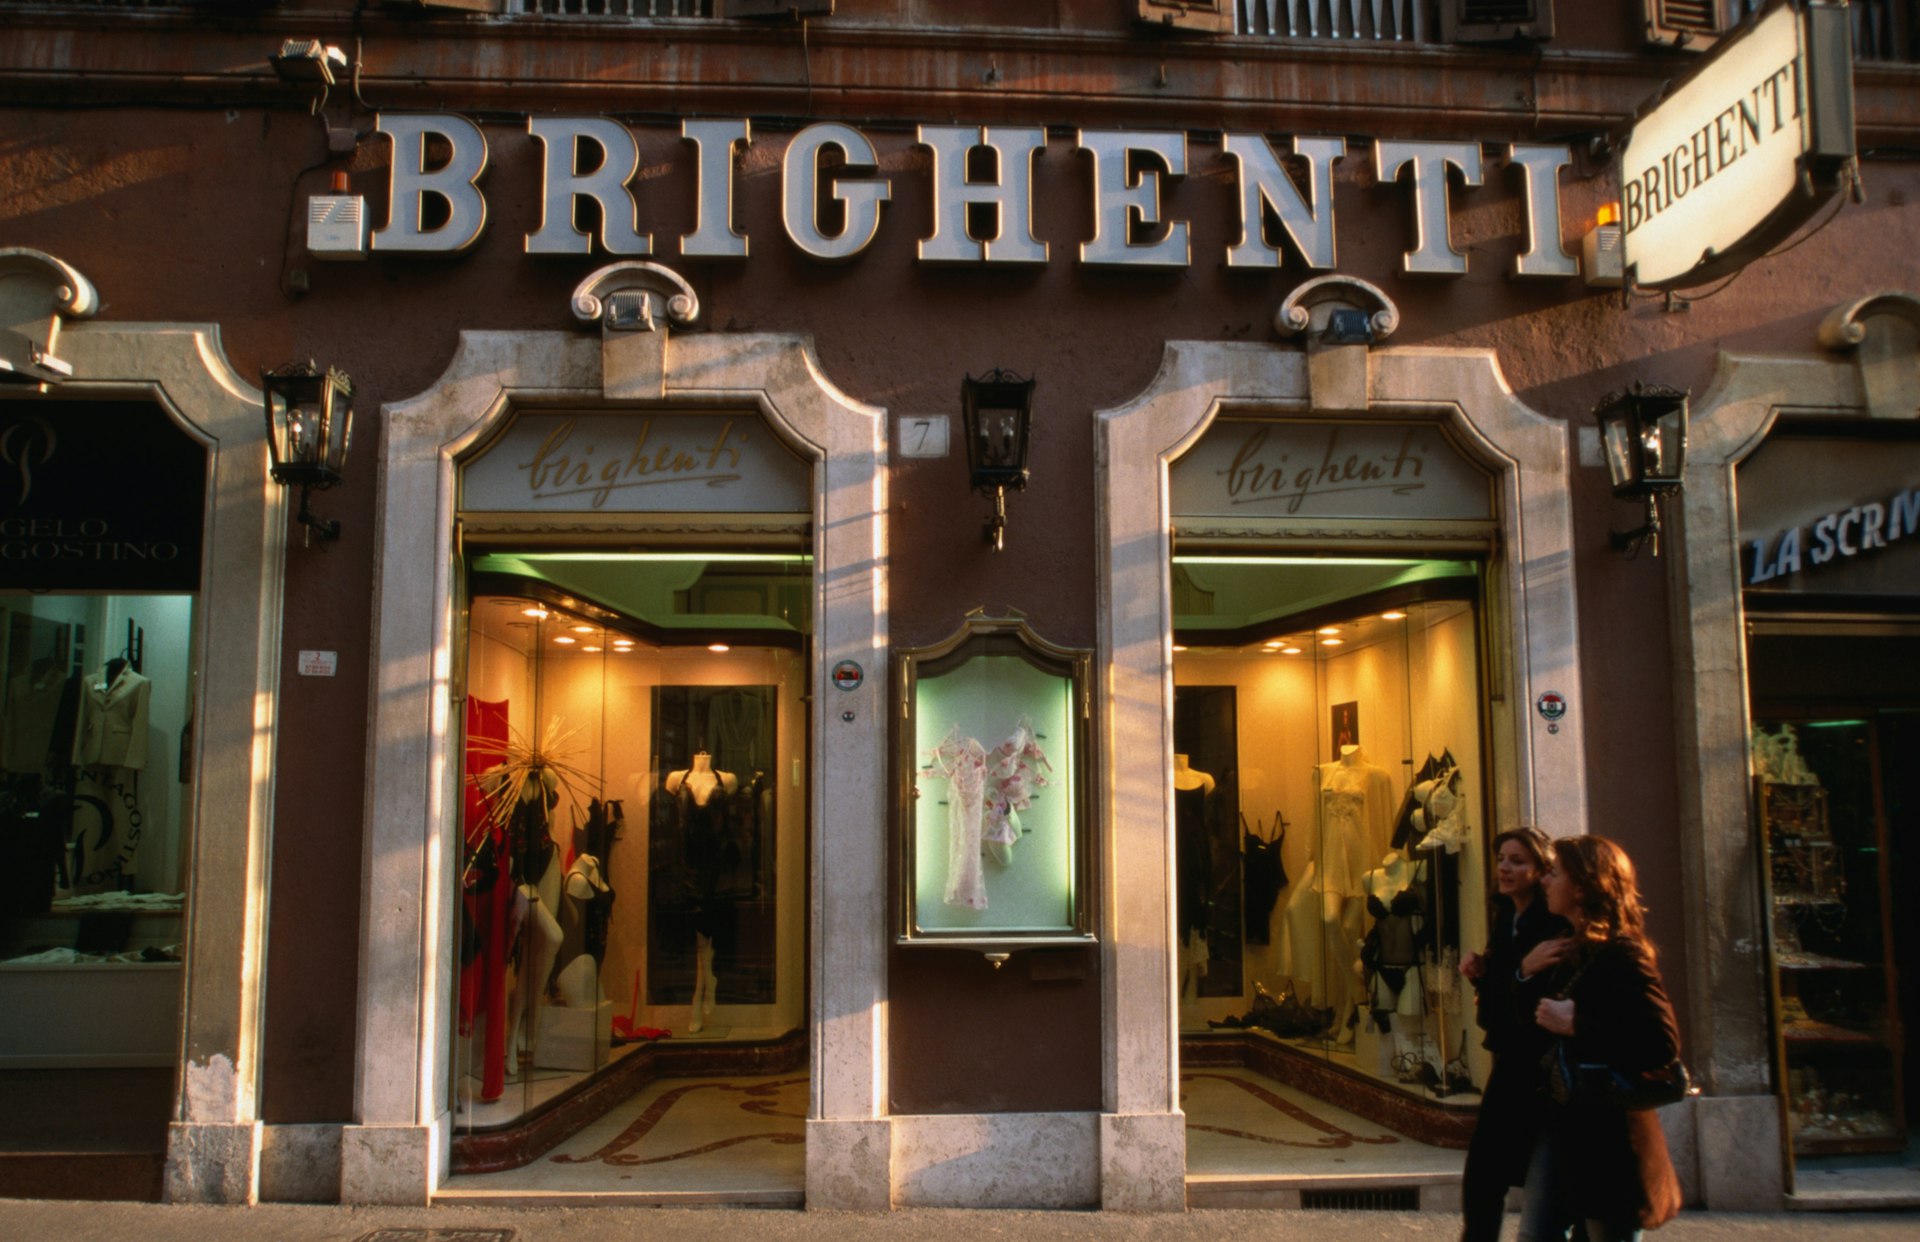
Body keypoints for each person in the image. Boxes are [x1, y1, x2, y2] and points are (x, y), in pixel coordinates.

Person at [1518, 835, 1683, 1242]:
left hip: (1606, 1134)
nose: (1544, 881)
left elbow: (1662, 1043)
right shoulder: (1571, 948)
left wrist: (1578, 1025)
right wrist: (1523, 972)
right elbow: (1529, 1026)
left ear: (1582, 886)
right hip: (1563, 1122)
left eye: (1554, 873)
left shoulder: (1623, 954)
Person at [1456, 827, 1568, 1242]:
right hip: (1511, 1057)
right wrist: (1487, 975)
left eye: (1517, 861)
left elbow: (1531, 1003)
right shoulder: (1507, 919)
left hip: (1536, 1064)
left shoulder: (1552, 925)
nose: (1504, 867)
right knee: (1488, 1170)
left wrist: (1515, 975)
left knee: (1500, 1169)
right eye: (1502, 858)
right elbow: (1502, 1004)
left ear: (1541, 870)